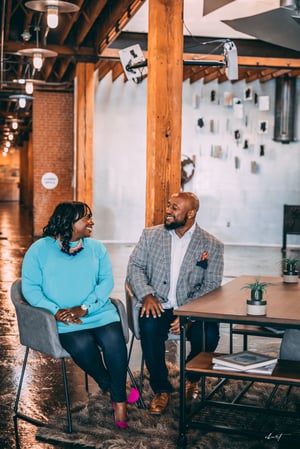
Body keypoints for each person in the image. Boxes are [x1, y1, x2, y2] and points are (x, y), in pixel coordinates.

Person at [21, 201, 138, 429]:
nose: (91, 222)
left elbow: (106, 281)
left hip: (98, 312)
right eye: (86, 218)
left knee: (114, 342)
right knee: (83, 346)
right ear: (69, 222)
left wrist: (86, 307)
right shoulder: (39, 250)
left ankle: (120, 402)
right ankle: (109, 386)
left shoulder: (96, 248)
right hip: (63, 319)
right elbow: (31, 288)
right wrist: (56, 312)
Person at [126, 192, 224, 415]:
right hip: (158, 303)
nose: (168, 211)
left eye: (175, 208)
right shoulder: (150, 236)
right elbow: (135, 267)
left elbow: (211, 284)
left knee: (209, 335)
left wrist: (189, 313)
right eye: (168, 205)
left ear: (190, 213)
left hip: (192, 306)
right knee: (149, 328)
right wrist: (146, 295)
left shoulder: (212, 245)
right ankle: (162, 389)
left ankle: (191, 377)